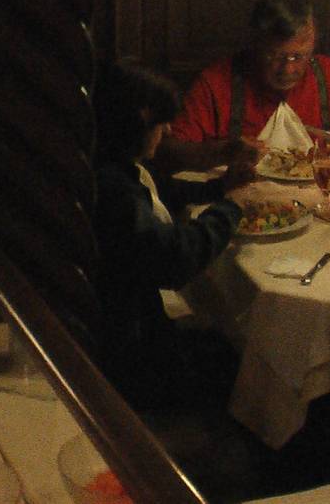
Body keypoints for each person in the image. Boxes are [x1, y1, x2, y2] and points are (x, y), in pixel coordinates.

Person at [92, 59, 250, 410]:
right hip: (131, 352)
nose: (166, 132)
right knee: (242, 362)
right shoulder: (113, 189)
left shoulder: (111, 163)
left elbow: (162, 190)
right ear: (141, 119)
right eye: (161, 122)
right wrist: (230, 209)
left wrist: (220, 187)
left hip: (135, 327)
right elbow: (175, 257)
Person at [160, 0, 330, 171]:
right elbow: (168, 152)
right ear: (255, 45)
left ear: (313, 46)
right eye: (275, 56)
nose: (288, 69)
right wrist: (223, 151)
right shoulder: (217, 82)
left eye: (298, 57)